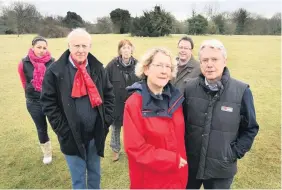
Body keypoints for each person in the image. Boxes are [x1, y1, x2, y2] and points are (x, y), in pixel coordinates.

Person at [40, 28, 115, 189]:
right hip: (71, 136)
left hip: (95, 133)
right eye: (76, 46)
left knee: (95, 175)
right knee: (78, 180)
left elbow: (109, 96)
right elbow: (48, 103)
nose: (81, 50)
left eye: (84, 46)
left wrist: (105, 122)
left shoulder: (98, 68)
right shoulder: (55, 71)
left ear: (90, 46)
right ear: (69, 46)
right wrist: (63, 131)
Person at [183, 39, 259, 189]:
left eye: (214, 59)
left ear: (225, 61)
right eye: (204, 60)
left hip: (221, 170)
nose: (209, 64)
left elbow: (250, 128)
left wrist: (233, 153)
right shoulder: (189, 87)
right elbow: (180, 123)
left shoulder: (242, 91)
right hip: (190, 164)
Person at [123, 47, 188, 189]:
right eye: (159, 65)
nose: (164, 71)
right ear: (146, 69)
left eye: (168, 67)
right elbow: (135, 149)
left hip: (177, 179)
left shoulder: (177, 100)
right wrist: (172, 159)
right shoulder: (134, 103)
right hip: (149, 181)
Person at [18, 36, 55, 165]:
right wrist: (30, 92)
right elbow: (24, 81)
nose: (41, 50)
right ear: (33, 47)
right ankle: (47, 153)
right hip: (33, 102)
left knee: (58, 126)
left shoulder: (52, 62)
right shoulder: (24, 63)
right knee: (41, 128)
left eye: (44, 48)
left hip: (50, 101)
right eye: (39, 47)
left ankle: (67, 148)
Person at [105, 39, 139, 162]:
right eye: (123, 48)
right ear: (120, 50)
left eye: (128, 48)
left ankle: (132, 149)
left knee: (132, 129)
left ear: (131, 50)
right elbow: (105, 83)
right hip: (116, 103)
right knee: (115, 127)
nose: (126, 50)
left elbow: (143, 82)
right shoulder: (111, 65)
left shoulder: (138, 64)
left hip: (133, 103)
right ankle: (115, 150)